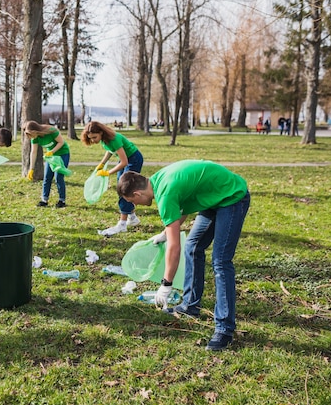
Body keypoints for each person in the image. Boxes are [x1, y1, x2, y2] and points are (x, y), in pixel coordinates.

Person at [117, 160, 250, 351]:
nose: (135, 206)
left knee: (221, 262)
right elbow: (182, 206)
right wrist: (165, 232)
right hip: (213, 196)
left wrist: (166, 284)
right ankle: (190, 306)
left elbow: (174, 246)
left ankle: (224, 329)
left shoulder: (165, 193)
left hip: (232, 196)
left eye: (132, 202)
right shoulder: (157, 181)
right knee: (193, 247)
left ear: (136, 194)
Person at [81, 120, 144, 236]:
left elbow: (124, 162)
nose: (93, 141)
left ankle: (122, 224)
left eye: (94, 137)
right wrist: (102, 163)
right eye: (91, 138)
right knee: (121, 189)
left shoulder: (114, 139)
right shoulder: (104, 139)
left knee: (125, 189)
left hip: (133, 160)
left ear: (101, 132)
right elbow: (109, 151)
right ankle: (133, 217)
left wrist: (108, 172)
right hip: (126, 160)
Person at [23, 120, 71, 208]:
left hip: (62, 154)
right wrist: (31, 169)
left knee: (58, 177)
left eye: (30, 134)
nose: (29, 137)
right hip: (51, 156)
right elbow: (33, 152)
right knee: (47, 177)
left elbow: (61, 142)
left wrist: (52, 151)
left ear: (34, 131)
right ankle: (44, 200)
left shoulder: (51, 131)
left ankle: (62, 200)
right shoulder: (35, 138)